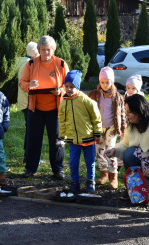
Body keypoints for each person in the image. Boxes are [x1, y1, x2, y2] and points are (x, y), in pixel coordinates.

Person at [19, 35, 69, 180]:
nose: (46, 53)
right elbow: (22, 83)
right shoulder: (31, 64)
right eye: (43, 50)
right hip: (36, 108)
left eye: (49, 50)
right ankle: (31, 168)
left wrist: (61, 90)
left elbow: (69, 84)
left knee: (57, 140)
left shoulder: (60, 64)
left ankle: (58, 169)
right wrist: (29, 86)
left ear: (53, 49)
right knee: (34, 139)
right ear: (39, 50)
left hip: (55, 109)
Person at [58, 70, 102, 194]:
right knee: (73, 162)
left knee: (90, 161)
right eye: (66, 86)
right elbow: (63, 121)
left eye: (72, 87)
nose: (69, 89)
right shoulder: (63, 103)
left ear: (77, 87)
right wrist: (61, 136)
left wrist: (97, 133)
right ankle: (75, 182)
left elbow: (96, 117)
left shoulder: (86, 100)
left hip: (88, 137)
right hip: (73, 139)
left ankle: (90, 182)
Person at [88, 66, 127, 189]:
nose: (105, 85)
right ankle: (104, 174)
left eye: (107, 82)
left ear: (112, 82)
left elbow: (122, 114)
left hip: (111, 127)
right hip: (98, 128)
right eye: (102, 82)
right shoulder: (94, 95)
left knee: (110, 150)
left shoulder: (117, 97)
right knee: (99, 151)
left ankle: (113, 176)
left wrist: (123, 129)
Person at [16, 42, 40, 162]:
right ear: (35, 53)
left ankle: (28, 155)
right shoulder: (29, 64)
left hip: (24, 101)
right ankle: (29, 156)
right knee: (31, 129)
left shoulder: (22, 62)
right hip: (28, 102)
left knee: (30, 128)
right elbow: (28, 85)